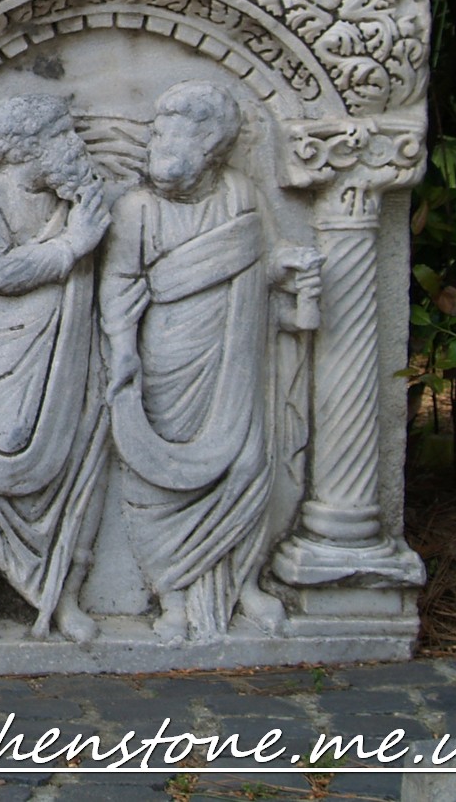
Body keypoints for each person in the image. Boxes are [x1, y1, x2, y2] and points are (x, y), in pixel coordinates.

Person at [100, 82, 318, 643]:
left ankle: (242, 582)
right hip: (169, 353)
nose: (161, 142)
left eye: (177, 133)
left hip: (236, 351)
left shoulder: (242, 193)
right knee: (162, 475)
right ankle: (172, 594)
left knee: (245, 466)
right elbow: (119, 284)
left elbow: (262, 261)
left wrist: (290, 264)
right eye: (158, 131)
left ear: (211, 146)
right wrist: (123, 350)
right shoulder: (137, 208)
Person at [0, 94, 111, 642]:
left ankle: (64, 595)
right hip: (0, 350)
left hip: (69, 347)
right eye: (60, 133)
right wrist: (72, 247)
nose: (73, 143)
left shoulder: (81, 198)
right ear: (26, 145)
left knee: (74, 460)